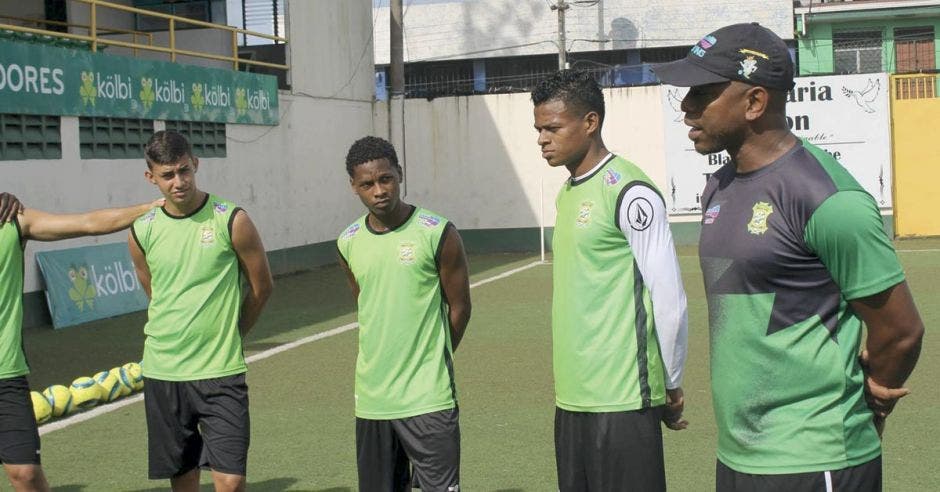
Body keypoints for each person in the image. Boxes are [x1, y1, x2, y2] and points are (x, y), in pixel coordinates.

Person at [653, 22, 925, 491]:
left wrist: (876, 394)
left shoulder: (827, 197)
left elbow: (900, 330)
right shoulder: (716, 187)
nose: (687, 106)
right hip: (738, 455)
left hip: (816, 457)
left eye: (703, 92)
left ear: (755, 102)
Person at [531, 69, 690, 491]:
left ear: (590, 122)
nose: (542, 139)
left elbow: (668, 295)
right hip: (572, 398)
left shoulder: (629, 191)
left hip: (623, 399)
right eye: (538, 129)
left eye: (552, 128)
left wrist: (671, 382)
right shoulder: (568, 193)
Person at [128, 130, 273, 492]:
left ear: (195, 164)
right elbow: (153, 290)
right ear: (152, 178)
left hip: (220, 371)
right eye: (167, 175)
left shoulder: (231, 219)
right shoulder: (141, 231)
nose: (178, 182)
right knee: (183, 476)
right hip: (164, 371)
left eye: (183, 171)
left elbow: (261, 286)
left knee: (231, 480)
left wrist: (233, 331)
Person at [0, 191, 161, 492]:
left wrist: (149, 208)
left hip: (5, 373)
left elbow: (87, 223)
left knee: (26, 474)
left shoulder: (11, 220)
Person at [336, 136, 471, 492]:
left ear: (400, 174)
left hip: (428, 397)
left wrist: (431, 357)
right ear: (354, 187)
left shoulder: (438, 233)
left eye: (386, 179)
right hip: (373, 400)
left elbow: (460, 307)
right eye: (367, 184)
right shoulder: (347, 241)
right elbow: (366, 302)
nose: (379, 190)